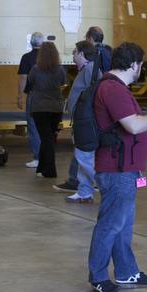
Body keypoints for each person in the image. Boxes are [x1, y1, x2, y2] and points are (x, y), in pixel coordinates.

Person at [87, 42, 147, 292]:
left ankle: (126, 271)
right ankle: (98, 275)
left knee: (123, 225)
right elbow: (132, 125)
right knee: (111, 224)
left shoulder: (116, 87)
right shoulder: (113, 89)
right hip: (116, 169)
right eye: (140, 64)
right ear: (133, 64)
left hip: (125, 168)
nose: (141, 68)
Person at [61, 41, 99, 203]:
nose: (73, 55)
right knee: (80, 156)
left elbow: (99, 90)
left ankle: (105, 184)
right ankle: (84, 191)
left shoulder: (90, 69)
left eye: (75, 52)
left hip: (86, 120)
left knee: (83, 156)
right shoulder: (85, 70)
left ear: (82, 54)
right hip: (80, 119)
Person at [27, 41, 67, 179]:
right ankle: (42, 168)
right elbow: (63, 83)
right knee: (49, 137)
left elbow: (29, 85)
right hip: (56, 107)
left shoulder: (35, 69)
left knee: (46, 138)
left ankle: (50, 170)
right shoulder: (60, 69)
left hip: (39, 107)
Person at [17, 32, 44, 169]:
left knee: (34, 127)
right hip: (49, 96)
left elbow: (23, 78)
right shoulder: (49, 57)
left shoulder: (26, 57)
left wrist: (20, 96)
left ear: (31, 43)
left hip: (34, 96)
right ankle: (47, 158)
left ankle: (37, 158)